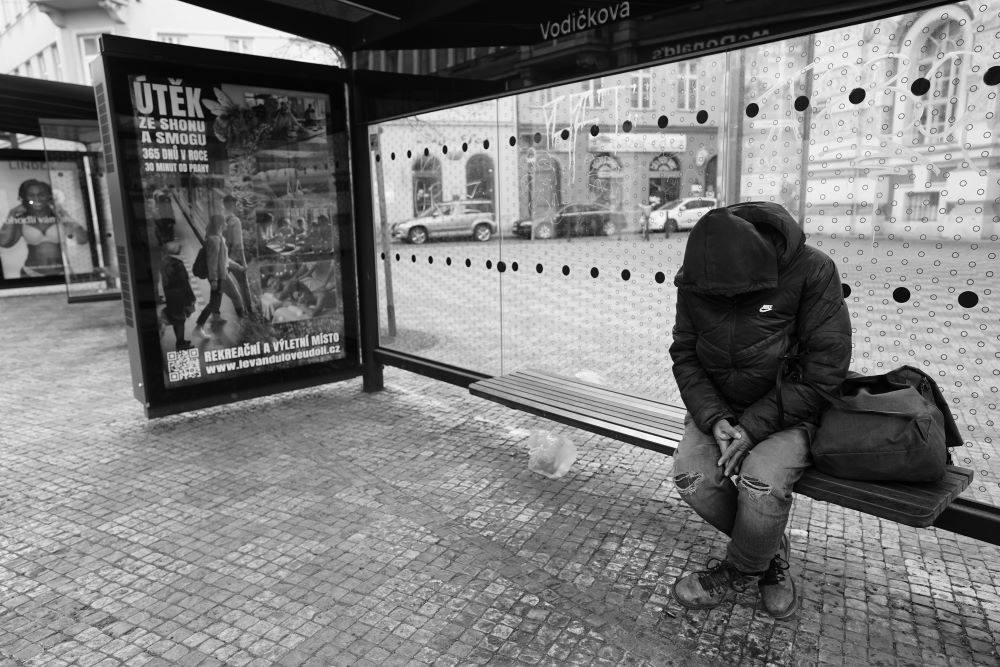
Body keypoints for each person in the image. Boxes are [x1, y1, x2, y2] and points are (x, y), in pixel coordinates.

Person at [668, 201, 851, 619]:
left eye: (735, 295)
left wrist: (752, 428)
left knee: (761, 481)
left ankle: (741, 569)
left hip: (792, 409)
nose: (724, 301)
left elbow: (825, 369)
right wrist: (714, 417)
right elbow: (685, 353)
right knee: (692, 478)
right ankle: (769, 555)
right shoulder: (697, 276)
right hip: (719, 408)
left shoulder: (813, 270)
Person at [0, 179, 88, 277]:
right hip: (31, 273)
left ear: (49, 197)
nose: (37, 199)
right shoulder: (21, 220)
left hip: (63, 273)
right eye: (31, 195)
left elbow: (83, 239)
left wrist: (63, 213)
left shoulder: (60, 217)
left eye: (41, 194)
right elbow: (4, 242)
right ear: (25, 198)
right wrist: (12, 213)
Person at [194, 215, 230, 338]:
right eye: (225, 222)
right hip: (217, 276)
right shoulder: (214, 240)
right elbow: (212, 261)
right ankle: (198, 327)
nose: (227, 224)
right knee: (213, 303)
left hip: (220, 275)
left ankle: (216, 317)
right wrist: (214, 279)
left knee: (216, 300)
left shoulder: (218, 238)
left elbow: (222, 259)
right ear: (220, 225)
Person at [159, 241, 196, 351]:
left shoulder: (164, 261)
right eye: (179, 249)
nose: (181, 251)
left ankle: (181, 341)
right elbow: (184, 283)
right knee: (180, 320)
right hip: (179, 295)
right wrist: (191, 298)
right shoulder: (178, 264)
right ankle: (180, 344)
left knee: (176, 319)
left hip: (170, 294)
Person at [222, 195, 252, 316]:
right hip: (234, 259)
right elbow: (238, 245)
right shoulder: (235, 221)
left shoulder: (218, 218)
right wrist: (243, 263)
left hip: (222, 258)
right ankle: (249, 311)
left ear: (224, 204)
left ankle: (215, 314)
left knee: (219, 288)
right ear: (233, 204)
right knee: (243, 284)